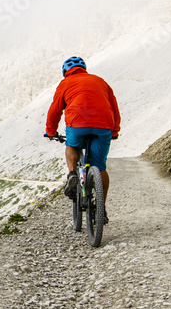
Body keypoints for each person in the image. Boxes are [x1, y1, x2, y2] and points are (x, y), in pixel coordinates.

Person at [44, 56, 121, 221]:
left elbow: (55, 109)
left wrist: (51, 131)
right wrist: (114, 131)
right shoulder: (101, 81)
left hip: (78, 124)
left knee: (72, 145)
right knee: (100, 168)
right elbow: (114, 107)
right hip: (103, 125)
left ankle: (72, 174)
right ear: (84, 68)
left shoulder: (65, 83)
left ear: (65, 72)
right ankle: (101, 209)